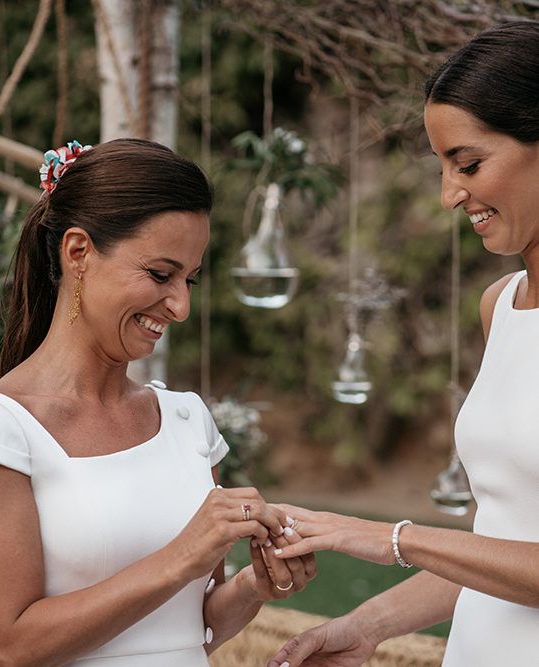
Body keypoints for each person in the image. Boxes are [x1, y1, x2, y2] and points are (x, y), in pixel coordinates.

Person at [0, 138, 316, 667]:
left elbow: (190, 627)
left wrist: (256, 585)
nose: (180, 305)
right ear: (78, 252)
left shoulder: (186, 420)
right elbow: (11, 645)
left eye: (189, 279)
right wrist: (182, 557)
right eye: (160, 274)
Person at [266, 20, 539, 667]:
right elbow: (501, 544)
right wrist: (368, 623)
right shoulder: (499, 306)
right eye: (442, 166)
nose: (449, 194)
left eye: (468, 163)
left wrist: (392, 537)